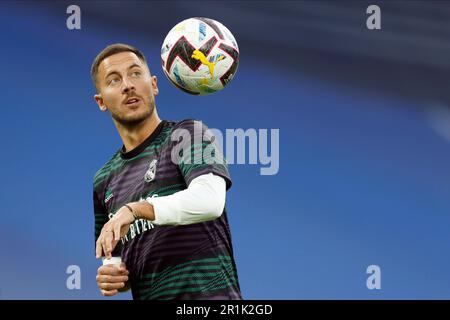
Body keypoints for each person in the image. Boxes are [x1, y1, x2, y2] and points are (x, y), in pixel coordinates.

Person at [91, 43, 242, 300]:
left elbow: (209, 201)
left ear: (154, 84)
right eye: (114, 80)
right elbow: (120, 259)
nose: (128, 85)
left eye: (135, 73)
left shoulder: (187, 134)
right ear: (101, 101)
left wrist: (134, 209)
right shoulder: (104, 180)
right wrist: (115, 277)